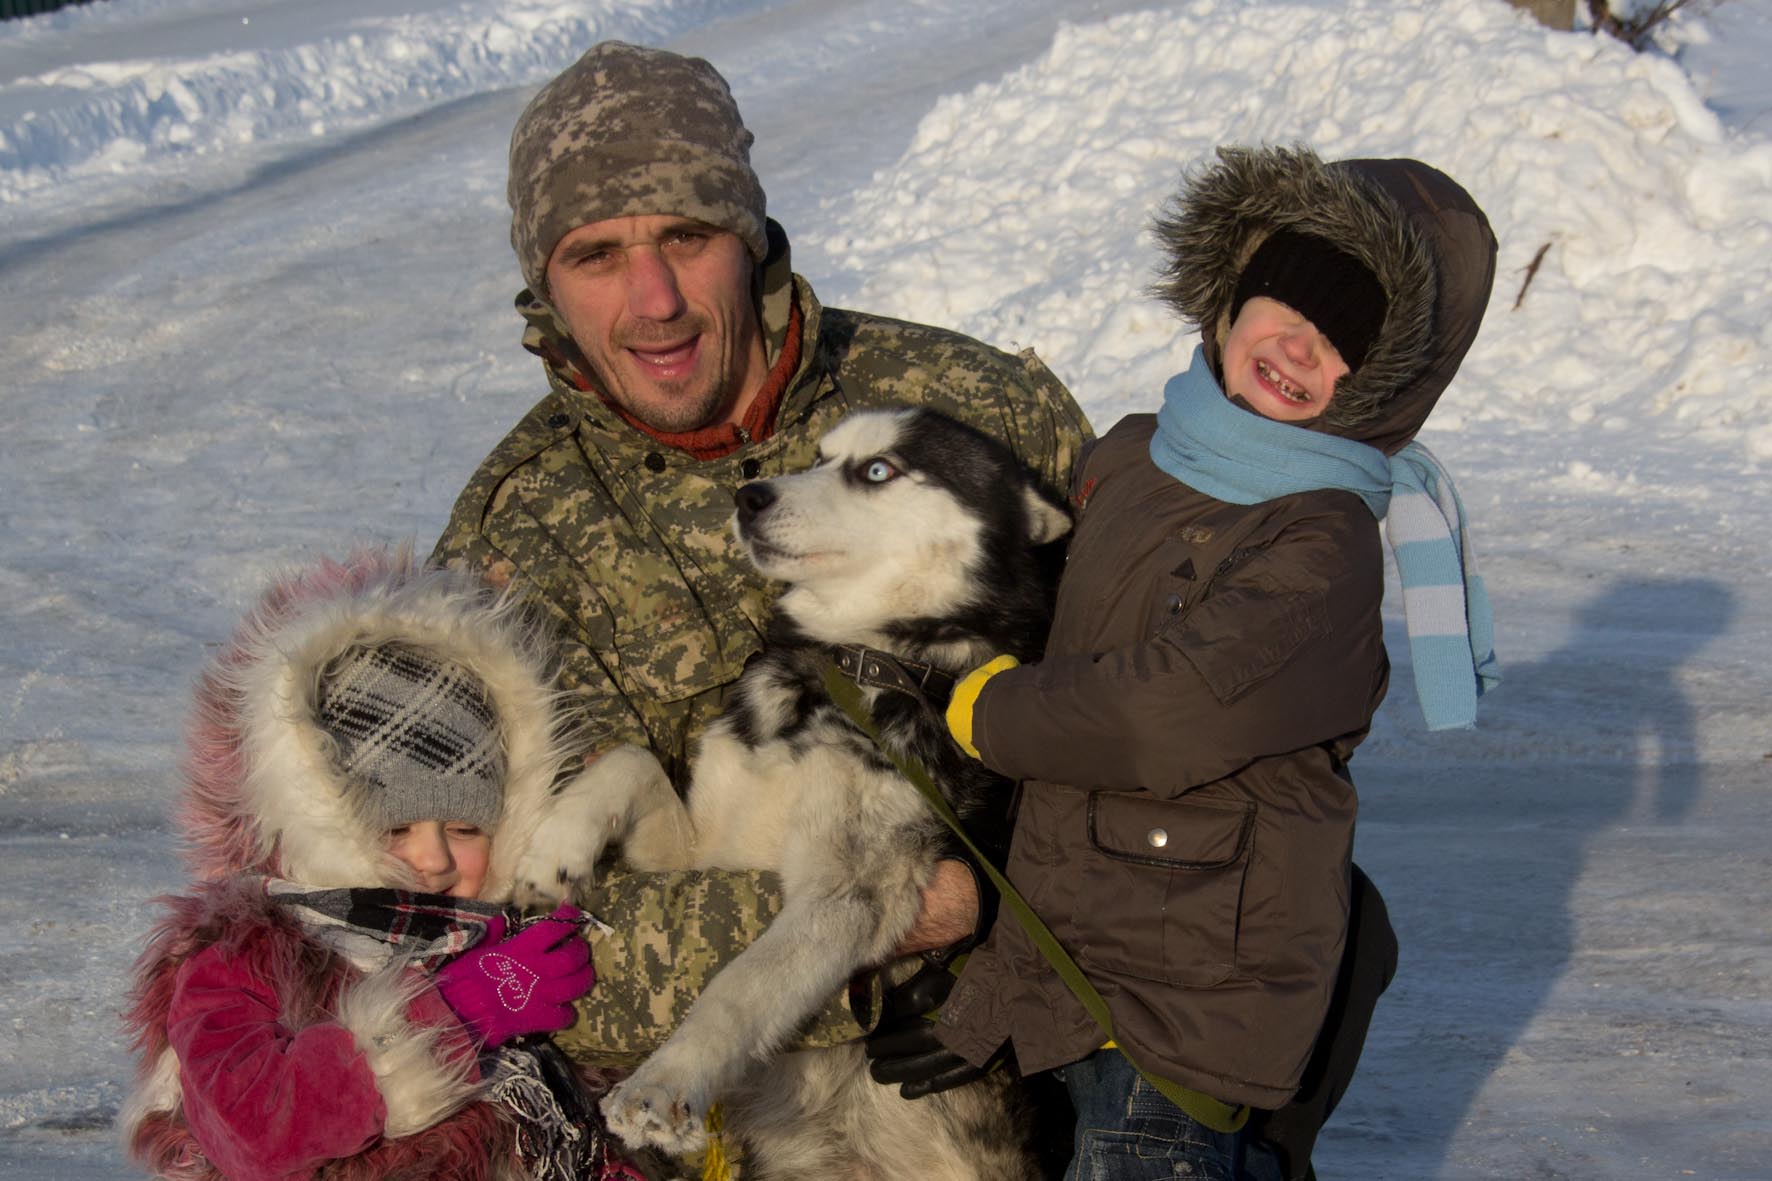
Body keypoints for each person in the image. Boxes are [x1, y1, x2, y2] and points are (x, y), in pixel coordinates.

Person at [430, 39, 1089, 1073]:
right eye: (595, 256)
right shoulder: (505, 551)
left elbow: (1187, 714)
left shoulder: (975, 413)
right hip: (735, 1098)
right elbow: (508, 939)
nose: (654, 299)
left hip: (1052, 1035)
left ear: (749, 240)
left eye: (687, 236)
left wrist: (1023, 902)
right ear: (543, 285)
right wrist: (912, 911)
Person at [923, 144, 1499, 1179]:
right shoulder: (1133, 454)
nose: (1300, 348)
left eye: (1345, 342)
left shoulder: (1321, 538)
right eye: (1290, 304)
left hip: (1185, 1008)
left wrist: (987, 712)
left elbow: (1166, 714)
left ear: (1378, 384)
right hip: (1082, 967)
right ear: (1230, 295)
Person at [120, 548, 636, 1181]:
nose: (434, 860)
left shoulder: (515, 943)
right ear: (316, 819)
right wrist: (453, 1017)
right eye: (395, 829)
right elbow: (253, 1131)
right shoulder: (247, 954)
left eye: (466, 829)